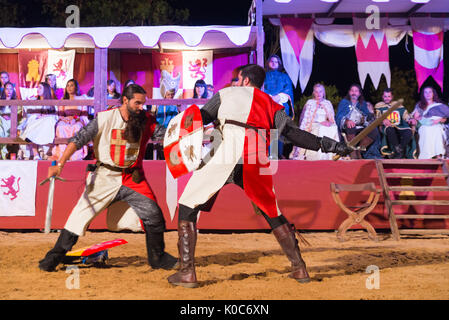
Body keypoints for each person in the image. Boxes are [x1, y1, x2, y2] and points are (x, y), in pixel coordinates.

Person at [166, 64, 353, 288]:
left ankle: (187, 273)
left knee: (188, 205)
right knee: (271, 211)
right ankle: (299, 268)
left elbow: (199, 118)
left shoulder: (226, 93)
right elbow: (292, 134)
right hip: (256, 157)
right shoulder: (272, 104)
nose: (236, 82)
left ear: (244, 80)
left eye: (238, 78)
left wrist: (171, 131)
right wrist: (328, 144)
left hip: (224, 152)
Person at [38, 84, 178, 272]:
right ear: (125, 101)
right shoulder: (104, 118)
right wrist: (60, 164)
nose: (141, 107)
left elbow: (167, 135)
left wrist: (187, 131)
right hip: (104, 176)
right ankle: (52, 260)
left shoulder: (146, 120)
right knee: (79, 218)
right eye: (137, 103)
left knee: (153, 214)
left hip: (133, 178)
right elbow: (79, 139)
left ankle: (158, 258)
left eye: (143, 104)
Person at [291, 83, 339, 160]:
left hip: (325, 124)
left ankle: (332, 153)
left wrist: (329, 122)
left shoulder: (327, 103)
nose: (318, 94)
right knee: (320, 128)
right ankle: (318, 155)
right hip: (313, 125)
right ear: (313, 93)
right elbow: (306, 119)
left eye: (320, 91)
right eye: (316, 92)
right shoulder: (310, 103)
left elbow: (331, 118)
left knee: (334, 127)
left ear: (323, 93)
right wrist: (319, 123)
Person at [335, 84, 379, 159]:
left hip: (361, 126)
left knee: (374, 131)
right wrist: (347, 121)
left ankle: (359, 150)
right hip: (348, 126)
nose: (354, 93)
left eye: (356, 91)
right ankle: (352, 152)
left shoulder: (363, 103)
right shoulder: (344, 102)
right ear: (349, 92)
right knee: (351, 126)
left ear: (359, 94)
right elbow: (339, 116)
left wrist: (369, 116)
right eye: (352, 91)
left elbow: (366, 116)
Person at [264, 55, 295, 159]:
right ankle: (269, 154)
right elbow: (260, 89)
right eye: (271, 61)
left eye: (276, 62)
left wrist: (279, 97)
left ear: (279, 64)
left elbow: (288, 90)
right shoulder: (263, 76)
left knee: (279, 130)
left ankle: (278, 153)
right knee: (268, 130)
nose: (273, 63)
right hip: (267, 105)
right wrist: (270, 97)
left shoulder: (285, 77)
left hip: (280, 104)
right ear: (268, 63)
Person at [51, 79, 89, 161]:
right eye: (68, 85)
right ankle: (63, 154)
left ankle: (75, 155)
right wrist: (64, 119)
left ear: (76, 87)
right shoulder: (63, 100)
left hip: (78, 120)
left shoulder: (82, 99)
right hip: (65, 120)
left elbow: (84, 115)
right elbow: (60, 115)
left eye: (71, 85)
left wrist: (75, 118)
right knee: (61, 127)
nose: (69, 87)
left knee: (77, 128)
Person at [18, 82, 58, 160]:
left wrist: (45, 115)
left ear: (45, 90)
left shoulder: (51, 102)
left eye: (40, 88)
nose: (37, 89)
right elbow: (29, 113)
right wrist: (37, 115)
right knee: (32, 122)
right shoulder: (34, 100)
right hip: (36, 120)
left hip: (46, 121)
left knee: (49, 121)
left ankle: (47, 152)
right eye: (38, 87)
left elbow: (55, 115)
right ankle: (35, 153)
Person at [409, 86, 449, 159]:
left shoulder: (439, 105)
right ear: (423, 94)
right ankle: (426, 156)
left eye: (430, 92)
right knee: (425, 130)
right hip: (424, 125)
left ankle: (439, 154)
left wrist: (438, 120)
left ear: (433, 93)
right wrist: (418, 118)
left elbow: (444, 119)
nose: (428, 94)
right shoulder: (420, 105)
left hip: (437, 124)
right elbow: (415, 117)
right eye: (426, 92)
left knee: (437, 129)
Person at [374, 88, 415, 159]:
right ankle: (398, 151)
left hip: (400, 126)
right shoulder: (379, 106)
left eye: (389, 96)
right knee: (390, 130)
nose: (387, 98)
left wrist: (410, 119)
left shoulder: (398, 105)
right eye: (385, 96)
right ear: (382, 97)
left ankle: (399, 150)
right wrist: (383, 120)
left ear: (392, 97)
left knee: (408, 131)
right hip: (387, 126)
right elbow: (377, 117)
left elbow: (405, 115)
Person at [0, 82, 21, 159]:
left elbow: (19, 113)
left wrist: (11, 117)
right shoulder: (1, 101)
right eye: (7, 89)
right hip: (1, 122)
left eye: (10, 89)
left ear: (13, 90)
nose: (9, 91)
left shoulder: (16, 101)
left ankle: (6, 153)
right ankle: (2, 152)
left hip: (12, 122)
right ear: (4, 90)